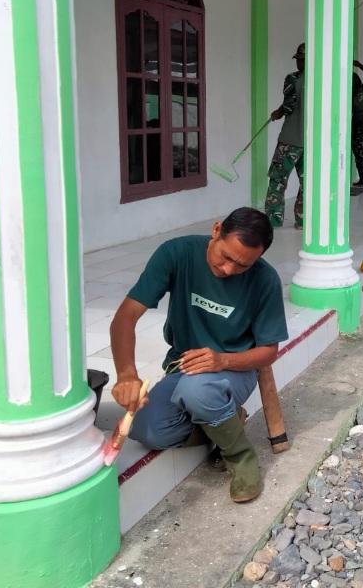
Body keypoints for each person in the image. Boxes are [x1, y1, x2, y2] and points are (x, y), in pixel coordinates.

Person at [109, 207, 288, 503]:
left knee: (198, 390)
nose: (229, 269)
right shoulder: (176, 254)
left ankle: (240, 456)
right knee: (148, 428)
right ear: (216, 230)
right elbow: (125, 317)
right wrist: (126, 373)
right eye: (226, 256)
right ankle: (229, 420)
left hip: (236, 369)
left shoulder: (265, 280)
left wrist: (223, 361)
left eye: (242, 265)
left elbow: (269, 352)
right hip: (184, 364)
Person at [265, 43, 306, 229]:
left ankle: (273, 221)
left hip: (289, 140)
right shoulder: (323, 80)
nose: (298, 63)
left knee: (278, 180)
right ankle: (302, 221)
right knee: (309, 183)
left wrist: (278, 112)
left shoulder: (293, 78)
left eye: (299, 60)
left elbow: (289, 105)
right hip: (312, 143)